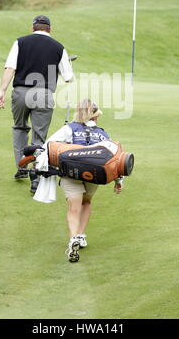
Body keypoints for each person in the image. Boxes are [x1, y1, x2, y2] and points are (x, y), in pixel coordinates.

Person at [0, 15, 73, 192]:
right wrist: (67, 64)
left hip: (21, 92)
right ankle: (36, 177)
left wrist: (2, 91)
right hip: (44, 94)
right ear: (50, 30)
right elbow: (68, 78)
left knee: (20, 127)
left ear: (33, 28)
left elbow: (10, 68)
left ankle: (21, 167)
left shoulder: (20, 42)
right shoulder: (58, 47)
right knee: (39, 137)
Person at [45, 98, 124, 262]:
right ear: (95, 116)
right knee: (86, 202)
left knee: (73, 208)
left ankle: (73, 238)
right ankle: (80, 235)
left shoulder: (69, 128)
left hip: (71, 174)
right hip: (93, 175)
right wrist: (118, 181)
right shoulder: (102, 134)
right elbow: (113, 159)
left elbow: (48, 145)